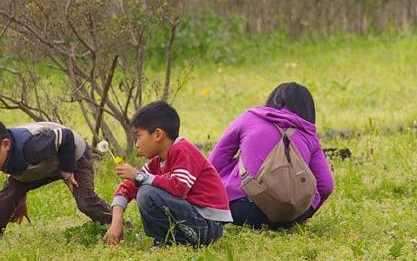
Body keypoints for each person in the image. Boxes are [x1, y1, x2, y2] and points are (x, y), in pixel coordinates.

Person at [0, 116, 112, 244]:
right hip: (44, 164)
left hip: (72, 155)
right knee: (8, 195)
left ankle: (118, 226)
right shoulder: (2, 155)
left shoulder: (31, 146)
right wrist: (20, 200)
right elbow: (19, 175)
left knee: (85, 201)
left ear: (6, 144)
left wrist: (67, 171)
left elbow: (65, 136)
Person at [104, 100, 231, 247]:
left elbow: (179, 186)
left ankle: (174, 242)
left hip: (208, 224)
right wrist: (116, 220)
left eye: (139, 136)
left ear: (158, 134)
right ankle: (170, 241)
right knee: (145, 189)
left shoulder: (183, 150)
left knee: (147, 193)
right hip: (195, 220)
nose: (137, 143)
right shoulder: (157, 162)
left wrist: (139, 176)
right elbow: (127, 188)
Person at [210, 81, 334, 228]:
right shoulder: (309, 135)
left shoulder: (249, 118)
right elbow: (326, 186)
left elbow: (214, 164)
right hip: (291, 216)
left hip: (242, 209)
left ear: (273, 101)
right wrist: (304, 213)